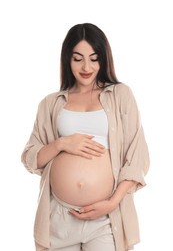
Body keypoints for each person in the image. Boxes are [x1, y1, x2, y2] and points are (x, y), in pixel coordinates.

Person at [21, 23, 150, 251]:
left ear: (104, 59)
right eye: (78, 58)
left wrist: (111, 203)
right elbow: (31, 158)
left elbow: (137, 157)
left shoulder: (120, 95)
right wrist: (62, 143)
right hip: (59, 217)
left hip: (106, 217)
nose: (86, 66)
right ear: (67, 60)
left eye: (94, 58)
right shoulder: (50, 103)